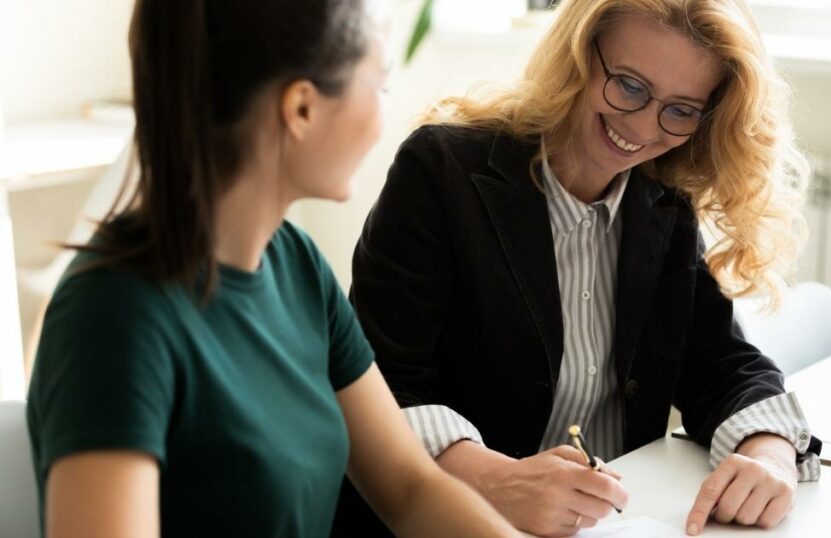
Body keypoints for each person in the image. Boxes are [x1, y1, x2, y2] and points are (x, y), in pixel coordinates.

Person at [25, 0, 520, 536]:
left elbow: (409, 487)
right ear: (302, 108)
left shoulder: (296, 263)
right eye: (377, 84)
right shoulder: (111, 318)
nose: (385, 115)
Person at [342, 0, 822, 536]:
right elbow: (378, 386)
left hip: (611, 522)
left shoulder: (662, 198)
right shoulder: (442, 171)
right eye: (630, 86)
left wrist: (772, 454)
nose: (642, 126)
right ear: (576, 56)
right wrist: (498, 479)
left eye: (681, 109)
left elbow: (719, 361)